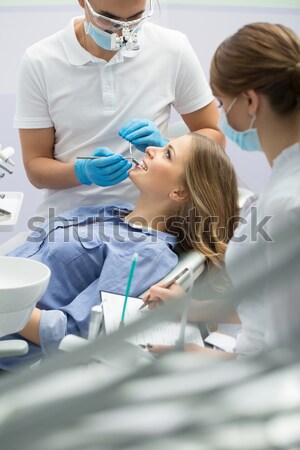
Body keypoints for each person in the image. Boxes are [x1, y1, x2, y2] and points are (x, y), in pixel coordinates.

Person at [0, 133, 238, 371]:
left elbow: (71, 333)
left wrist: (7, 303)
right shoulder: (114, 213)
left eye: (167, 154)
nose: (150, 150)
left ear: (178, 192)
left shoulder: (147, 254)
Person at [144, 22, 300, 357]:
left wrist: (195, 356)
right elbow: (269, 301)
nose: (220, 115)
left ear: (249, 101)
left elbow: (286, 358)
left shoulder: (289, 206)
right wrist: (192, 308)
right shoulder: (282, 183)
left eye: (220, 101)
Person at [14, 0, 224, 219]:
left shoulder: (173, 48)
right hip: (68, 222)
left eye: (135, 18)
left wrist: (167, 146)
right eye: (108, 20)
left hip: (150, 222)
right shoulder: (40, 61)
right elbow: (36, 168)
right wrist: (81, 172)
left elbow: (214, 135)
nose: (123, 31)